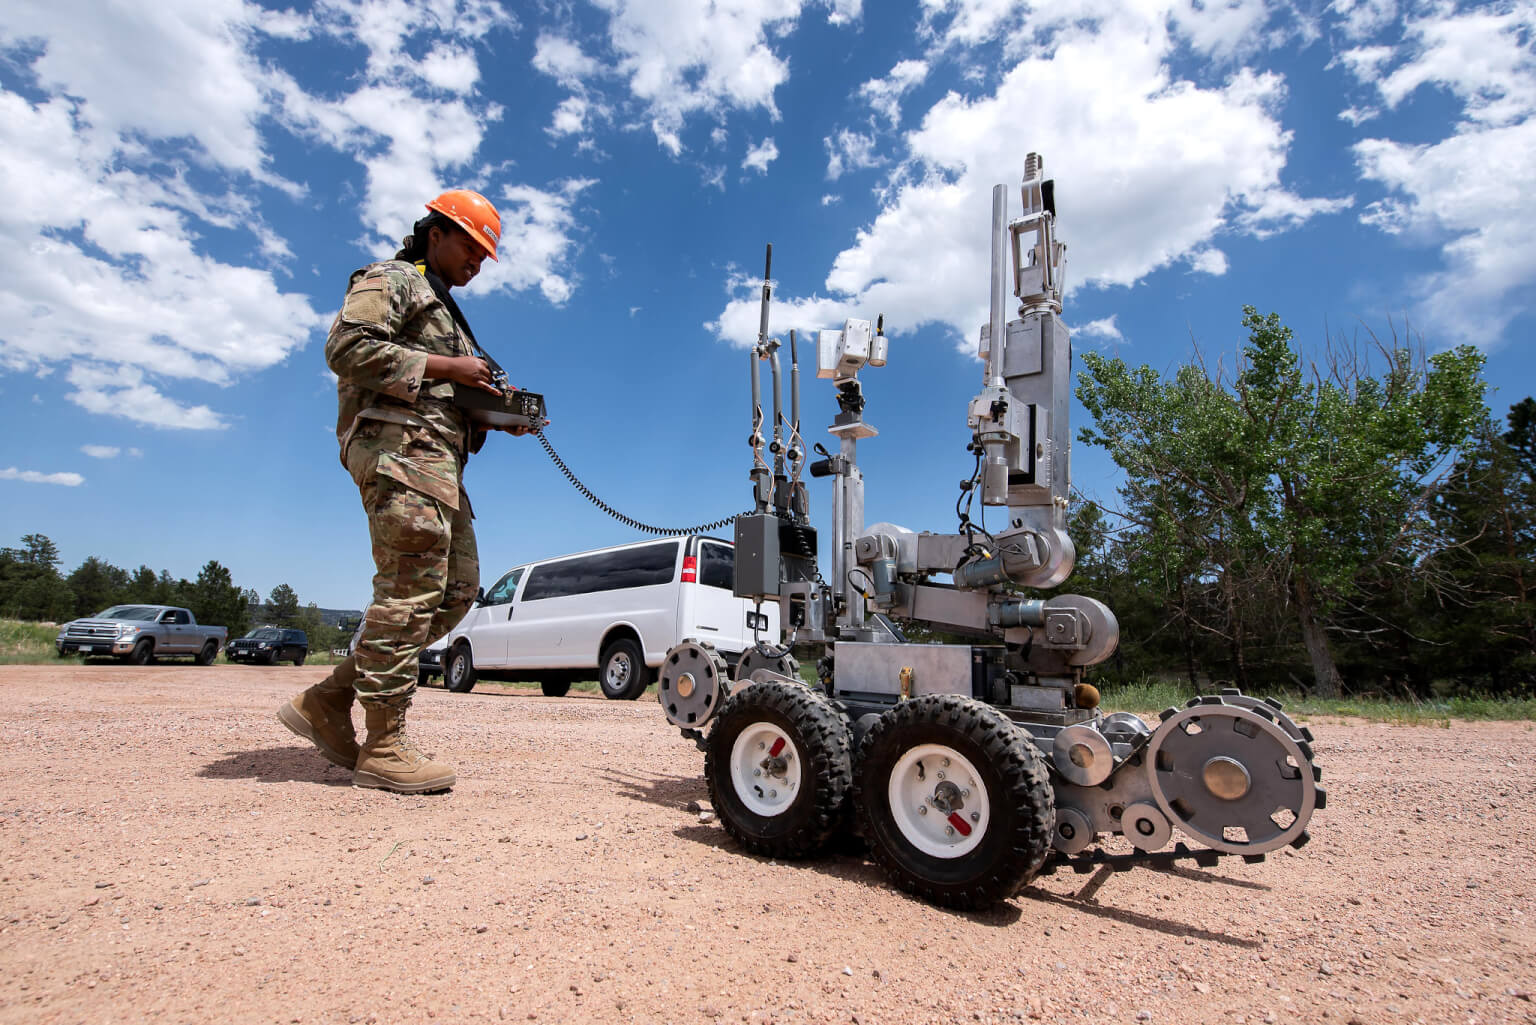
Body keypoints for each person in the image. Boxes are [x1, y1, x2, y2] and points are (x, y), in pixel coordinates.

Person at [279, 188, 519, 794]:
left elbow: (444, 386)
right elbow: (347, 348)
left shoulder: (445, 308)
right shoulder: (394, 278)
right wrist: (449, 370)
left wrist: (485, 415)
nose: (477, 263)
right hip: (399, 451)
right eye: (472, 247)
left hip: (438, 461)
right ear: (435, 232)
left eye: (485, 256)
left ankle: (329, 699)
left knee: (459, 591)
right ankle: (384, 744)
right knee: (409, 588)